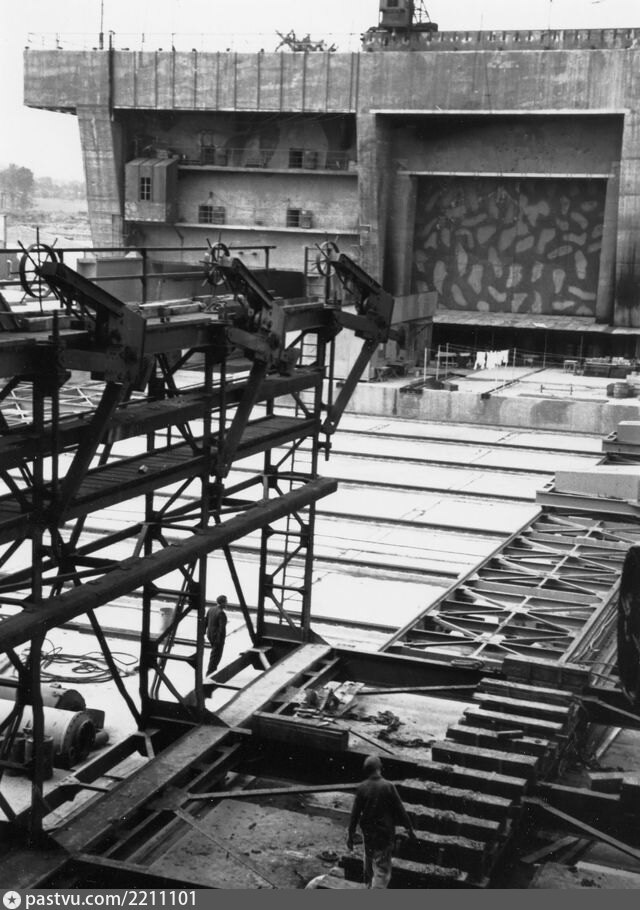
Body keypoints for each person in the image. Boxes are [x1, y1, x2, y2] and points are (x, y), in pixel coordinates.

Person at [347, 754, 417, 889]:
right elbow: (401, 811)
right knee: (382, 871)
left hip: (368, 834)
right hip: (384, 836)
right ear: (380, 768)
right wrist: (410, 829)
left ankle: (368, 886)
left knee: (368, 862)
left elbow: (354, 815)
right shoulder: (388, 786)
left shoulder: (362, 788)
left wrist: (350, 835)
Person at [206, 595, 227, 676]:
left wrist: (204, 632)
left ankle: (211, 671)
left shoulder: (211, 609)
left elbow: (206, 621)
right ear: (222, 603)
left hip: (210, 635)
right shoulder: (221, 613)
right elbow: (222, 629)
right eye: (226, 602)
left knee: (214, 654)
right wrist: (220, 640)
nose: (226, 604)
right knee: (216, 657)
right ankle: (210, 673)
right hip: (217, 638)